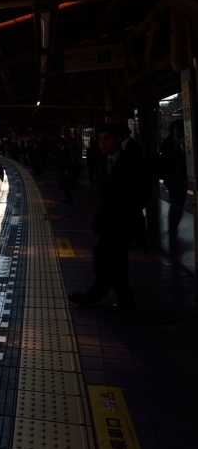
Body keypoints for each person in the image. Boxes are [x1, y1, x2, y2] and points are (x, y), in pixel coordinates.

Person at [69, 123, 150, 312]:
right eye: (100, 139)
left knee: (109, 260)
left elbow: (143, 192)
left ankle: (97, 294)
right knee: (115, 262)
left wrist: (127, 213)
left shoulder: (131, 162)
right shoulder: (106, 162)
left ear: (118, 140)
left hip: (123, 223)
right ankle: (124, 300)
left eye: (107, 139)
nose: (102, 143)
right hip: (108, 222)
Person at [159, 119, 187, 248]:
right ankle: (173, 231)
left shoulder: (170, 142)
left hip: (173, 179)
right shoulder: (171, 143)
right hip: (175, 180)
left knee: (175, 205)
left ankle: (173, 230)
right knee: (176, 205)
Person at [55, 136, 75, 203]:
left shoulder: (66, 149)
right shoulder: (63, 149)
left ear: (61, 143)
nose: (57, 145)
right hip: (62, 169)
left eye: (58, 144)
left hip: (64, 170)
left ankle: (69, 198)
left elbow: (67, 160)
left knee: (66, 184)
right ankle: (67, 197)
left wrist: (66, 170)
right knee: (65, 184)